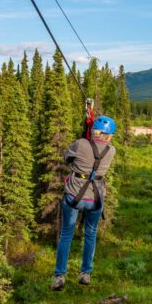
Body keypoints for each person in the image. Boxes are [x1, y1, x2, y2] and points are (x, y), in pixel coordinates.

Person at [52, 115, 117, 291]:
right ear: (109, 135)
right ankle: (85, 273)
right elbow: (96, 148)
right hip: (95, 199)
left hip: (74, 196)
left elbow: (68, 158)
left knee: (67, 234)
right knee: (90, 234)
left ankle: (59, 276)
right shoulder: (111, 151)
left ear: (93, 131)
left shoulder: (81, 144)